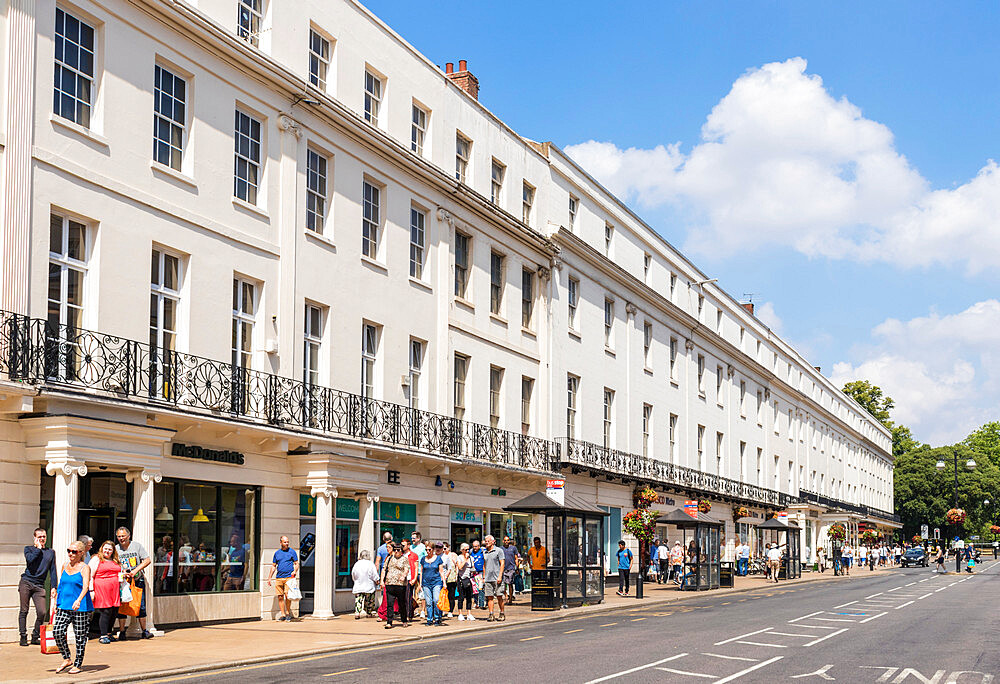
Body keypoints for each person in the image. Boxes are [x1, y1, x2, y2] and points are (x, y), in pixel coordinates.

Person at [53, 540, 93, 675]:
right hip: (64, 605)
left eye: (74, 551)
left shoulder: (84, 567)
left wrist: (79, 600)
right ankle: (67, 658)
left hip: (80, 607)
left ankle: (77, 664)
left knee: (80, 636)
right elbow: (61, 586)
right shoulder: (64, 565)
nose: (70, 553)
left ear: (81, 553)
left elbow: (86, 586)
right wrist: (55, 603)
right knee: (57, 631)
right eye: (69, 551)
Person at [19, 527, 58, 647]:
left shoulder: (50, 552)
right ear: (35, 538)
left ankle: (35, 635)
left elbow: (52, 570)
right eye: (39, 537)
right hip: (26, 582)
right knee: (24, 610)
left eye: (44, 537)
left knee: (41, 612)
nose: (42, 539)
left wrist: (53, 586)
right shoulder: (29, 549)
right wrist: (38, 549)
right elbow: (30, 560)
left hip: (39, 585)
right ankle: (23, 636)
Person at [115, 526, 153, 640]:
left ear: (128, 536)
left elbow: (147, 560)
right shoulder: (116, 549)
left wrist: (135, 570)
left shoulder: (137, 546)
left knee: (140, 605)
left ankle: (144, 631)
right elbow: (114, 563)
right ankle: (122, 632)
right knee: (122, 606)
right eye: (119, 536)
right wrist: (122, 572)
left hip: (137, 580)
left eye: (123, 536)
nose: (121, 538)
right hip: (123, 581)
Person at [88, 540, 122, 643]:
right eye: (105, 548)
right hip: (101, 589)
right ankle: (102, 635)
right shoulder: (96, 559)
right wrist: (91, 590)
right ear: (102, 548)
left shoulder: (115, 560)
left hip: (115, 590)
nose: (107, 551)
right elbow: (90, 575)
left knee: (114, 611)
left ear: (113, 551)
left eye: (110, 549)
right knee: (105, 611)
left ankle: (108, 633)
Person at [266, 535, 299, 622]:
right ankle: (283, 614)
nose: (287, 543)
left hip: (289, 577)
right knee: (280, 596)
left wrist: (295, 571)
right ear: (281, 543)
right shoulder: (277, 553)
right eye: (285, 542)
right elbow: (273, 566)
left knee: (287, 595)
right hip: (279, 577)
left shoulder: (292, 552)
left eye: (287, 542)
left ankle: (288, 614)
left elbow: (296, 563)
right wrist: (269, 578)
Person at [379, 544, 409, 629]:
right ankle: (389, 622)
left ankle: (404, 620)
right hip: (389, 583)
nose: (396, 551)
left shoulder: (404, 559)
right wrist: (382, 581)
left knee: (401, 603)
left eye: (398, 550)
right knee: (390, 604)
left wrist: (403, 575)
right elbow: (384, 570)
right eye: (395, 550)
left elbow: (407, 569)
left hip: (400, 585)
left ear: (401, 551)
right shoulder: (389, 558)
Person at [420, 542, 447, 626]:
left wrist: (444, 583)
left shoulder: (438, 559)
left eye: (429, 549)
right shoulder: (423, 559)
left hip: (436, 582)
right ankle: (429, 619)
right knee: (428, 602)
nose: (428, 551)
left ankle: (438, 618)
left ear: (433, 549)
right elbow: (421, 572)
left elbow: (441, 572)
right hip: (426, 583)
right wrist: (420, 584)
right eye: (426, 550)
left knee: (436, 600)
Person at [482, 535, 506, 621]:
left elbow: (502, 563)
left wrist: (500, 575)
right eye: (485, 541)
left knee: (499, 596)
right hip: (488, 578)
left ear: (493, 541)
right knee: (489, 597)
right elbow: (484, 565)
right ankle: (491, 614)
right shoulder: (485, 552)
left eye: (488, 541)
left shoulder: (499, 551)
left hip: (497, 578)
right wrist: (484, 577)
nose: (486, 542)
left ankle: (502, 612)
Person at [351, 550, 380, 618]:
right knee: (369, 600)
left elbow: (353, 574)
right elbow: (374, 575)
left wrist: (355, 580)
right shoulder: (370, 564)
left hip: (359, 585)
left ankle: (357, 612)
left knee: (358, 600)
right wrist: (377, 580)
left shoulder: (357, 564)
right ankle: (369, 612)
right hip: (369, 585)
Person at [375, 532, 394, 622]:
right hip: (389, 574)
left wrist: (376, 576)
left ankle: (387, 611)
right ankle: (387, 611)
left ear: (383, 539)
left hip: (385, 573)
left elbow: (377, 562)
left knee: (386, 594)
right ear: (392, 538)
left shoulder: (380, 548)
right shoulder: (394, 548)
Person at [400, 538, 420, 620]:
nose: (402, 547)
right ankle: (405, 613)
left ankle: (408, 615)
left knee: (408, 596)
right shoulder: (400, 555)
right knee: (402, 597)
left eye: (403, 545)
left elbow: (416, 567)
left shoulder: (413, 555)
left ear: (408, 546)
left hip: (409, 578)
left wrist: (414, 578)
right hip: (401, 579)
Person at [455, 543, 476, 621]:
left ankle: (469, 613)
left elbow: (473, 567)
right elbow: (460, 567)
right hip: (461, 579)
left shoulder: (471, 558)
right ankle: (460, 613)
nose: (467, 551)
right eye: (466, 550)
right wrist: (465, 560)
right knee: (461, 597)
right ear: (462, 550)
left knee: (469, 597)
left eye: (468, 549)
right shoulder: (459, 557)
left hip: (469, 579)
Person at [411, 532, 427, 618]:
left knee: (421, 592)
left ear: (418, 539)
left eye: (414, 538)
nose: (412, 540)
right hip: (412, 572)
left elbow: (427, 559)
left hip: (421, 572)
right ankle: (414, 609)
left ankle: (423, 610)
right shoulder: (410, 547)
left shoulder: (423, 548)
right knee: (412, 592)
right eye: (412, 538)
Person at [501, 536, 521, 605]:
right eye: (505, 540)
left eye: (508, 540)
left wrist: (517, 567)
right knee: (502, 585)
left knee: (510, 584)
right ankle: (506, 595)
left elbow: (516, 558)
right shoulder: (501, 549)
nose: (506, 541)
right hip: (503, 568)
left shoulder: (513, 548)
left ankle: (510, 599)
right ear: (503, 541)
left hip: (511, 568)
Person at [442, 542, 459, 618]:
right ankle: (442, 610)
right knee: (442, 595)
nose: (443, 550)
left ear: (448, 548)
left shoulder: (453, 555)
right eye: (442, 548)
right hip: (443, 578)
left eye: (445, 548)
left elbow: (457, 566)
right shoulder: (441, 556)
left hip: (451, 577)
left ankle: (450, 611)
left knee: (451, 595)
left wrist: (456, 576)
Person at [471, 539, 487, 609]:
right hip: (474, 573)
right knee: (475, 588)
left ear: (479, 546)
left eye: (476, 546)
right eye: (474, 546)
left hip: (481, 572)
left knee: (481, 588)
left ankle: (482, 603)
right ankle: (475, 602)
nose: (475, 548)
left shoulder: (483, 552)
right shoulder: (471, 552)